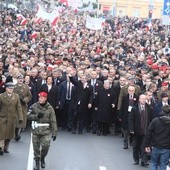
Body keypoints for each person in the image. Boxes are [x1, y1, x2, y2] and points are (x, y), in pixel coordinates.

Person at [27, 92, 57, 170]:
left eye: (42, 98)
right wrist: (36, 116)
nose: (40, 99)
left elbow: (53, 120)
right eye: (40, 97)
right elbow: (27, 116)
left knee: (46, 146)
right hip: (36, 131)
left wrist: (54, 132)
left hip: (46, 131)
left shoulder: (50, 108)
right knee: (36, 148)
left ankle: (42, 158)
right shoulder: (34, 106)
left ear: (46, 98)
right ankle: (37, 163)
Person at [129, 94, 152, 167]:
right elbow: (131, 119)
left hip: (145, 131)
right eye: (142, 99)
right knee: (136, 146)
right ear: (139, 99)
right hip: (137, 131)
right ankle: (136, 159)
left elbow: (150, 120)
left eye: (145, 99)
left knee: (144, 146)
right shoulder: (134, 108)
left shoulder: (148, 108)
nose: (144, 100)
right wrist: (131, 129)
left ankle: (144, 161)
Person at [0, 82, 23, 155]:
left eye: (12, 88)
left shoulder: (16, 96)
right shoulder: (1, 96)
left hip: (12, 118)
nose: (11, 89)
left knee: (9, 134)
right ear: (6, 88)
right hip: (2, 118)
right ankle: (1, 147)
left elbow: (19, 107)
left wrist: (20, 117)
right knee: (2, 134)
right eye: (9, 88)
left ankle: (6, 147)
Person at [144, 105, 170, 170]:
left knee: (154, 163)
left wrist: (146, 145)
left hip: (155, 146)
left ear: (162, 110)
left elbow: (148, 133)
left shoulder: (155, 121)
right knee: (163, 164)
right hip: (166, 147)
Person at [13, 73, 32, 141]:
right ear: (17, 79)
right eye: (19, 79)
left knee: (22, 121)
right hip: (15, 106)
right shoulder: (13, 87)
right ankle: (15, 133)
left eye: (21, 79)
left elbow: (29, 96)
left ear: (23, 79)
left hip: (23, 106)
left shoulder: (26, 87)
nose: (20, 80)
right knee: (15, 121)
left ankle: (19, 134)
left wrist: (24, 99)